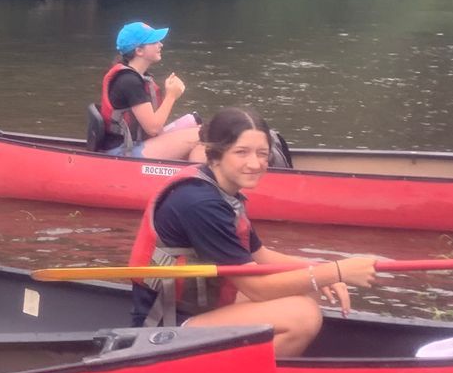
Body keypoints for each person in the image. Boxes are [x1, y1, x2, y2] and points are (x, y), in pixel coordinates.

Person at [129, 108, 379, 357]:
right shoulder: (200, 203)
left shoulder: (222, 192)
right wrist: (335, 272)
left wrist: (323, 270)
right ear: (215, 156)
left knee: (305, 288)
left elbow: (261, 256)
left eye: (262, 153)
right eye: (241, 152)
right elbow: (258, 289)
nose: (255, 163)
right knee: (303, 316)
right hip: (166, 328)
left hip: (199, 308)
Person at [90, 21, 203, 161]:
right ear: (139, 51)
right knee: (201, 135)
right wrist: (171, 96)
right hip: (122, 152)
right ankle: (199, 178)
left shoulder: (135, 77)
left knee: (198, 124)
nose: (160, 44)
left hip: (133, 145)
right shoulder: (129, 81)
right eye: (154, 42)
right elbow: (153, 128)